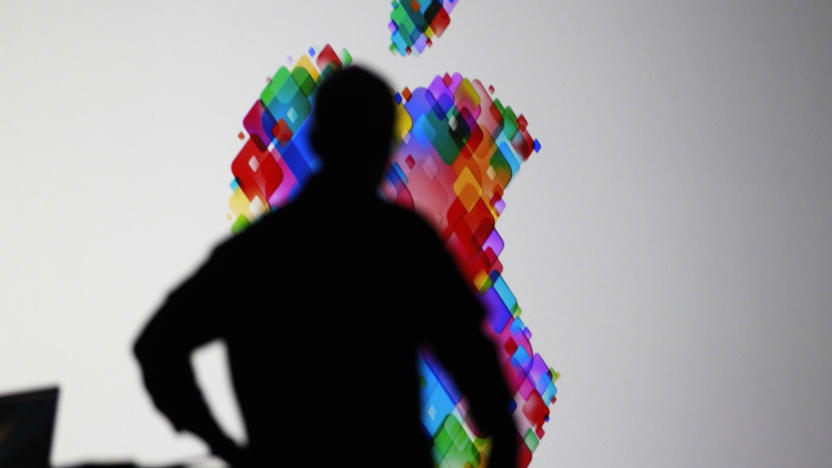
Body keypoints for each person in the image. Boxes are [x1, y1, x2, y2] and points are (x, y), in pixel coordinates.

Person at [133, 66, 518, 467]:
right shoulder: (402, 243)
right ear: (385, 148)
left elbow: (158, 344)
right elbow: (474, 364)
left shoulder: (257, 252)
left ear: (318, 139)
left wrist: (224, 447)